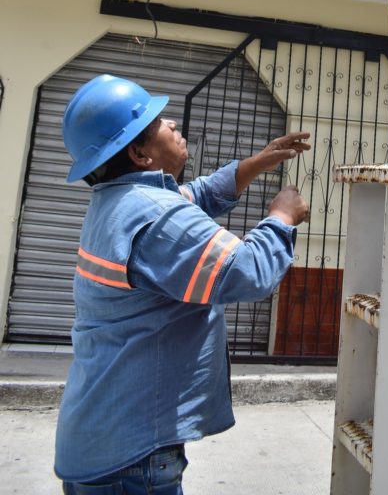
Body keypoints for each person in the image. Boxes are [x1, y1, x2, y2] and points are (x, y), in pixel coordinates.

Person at [54, 73, 311, 494]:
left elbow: (197, 196)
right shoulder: (154, 216)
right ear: (140, 153)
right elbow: (247, 272)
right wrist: (282, 217)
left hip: (101, 440)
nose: (173, 123)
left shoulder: (120, 201)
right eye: (159, 122)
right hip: (132, 460)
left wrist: (258, 162)